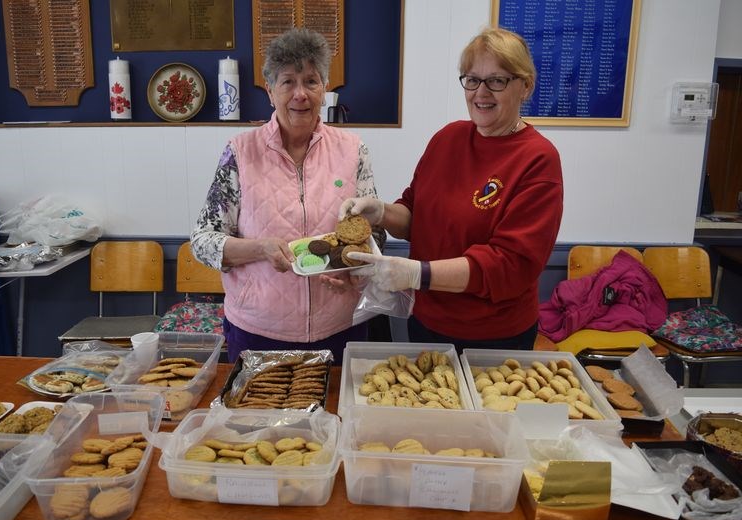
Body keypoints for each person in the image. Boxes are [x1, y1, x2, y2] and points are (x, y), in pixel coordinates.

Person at [340, 27, 563, 353]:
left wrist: (418, 274)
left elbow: (509, 266)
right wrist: (381, 211)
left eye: (497, 80)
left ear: (525, 86)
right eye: (472, 79)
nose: (480, 92)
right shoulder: (447, 139)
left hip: (495, 337)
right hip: (427, 322)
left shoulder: (538, 159)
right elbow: (415, 217)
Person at [191, 28, 380, 362]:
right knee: (256, 415)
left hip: (340, 326)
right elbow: (203, 242)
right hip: (258, 330)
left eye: (311, 81)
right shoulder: (240, 152)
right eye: (288, 81)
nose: (300, 94)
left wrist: (352, 271)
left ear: (325, 90)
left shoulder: (353, 150)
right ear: (270, 90)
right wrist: (260, 249)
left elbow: (372, 232)